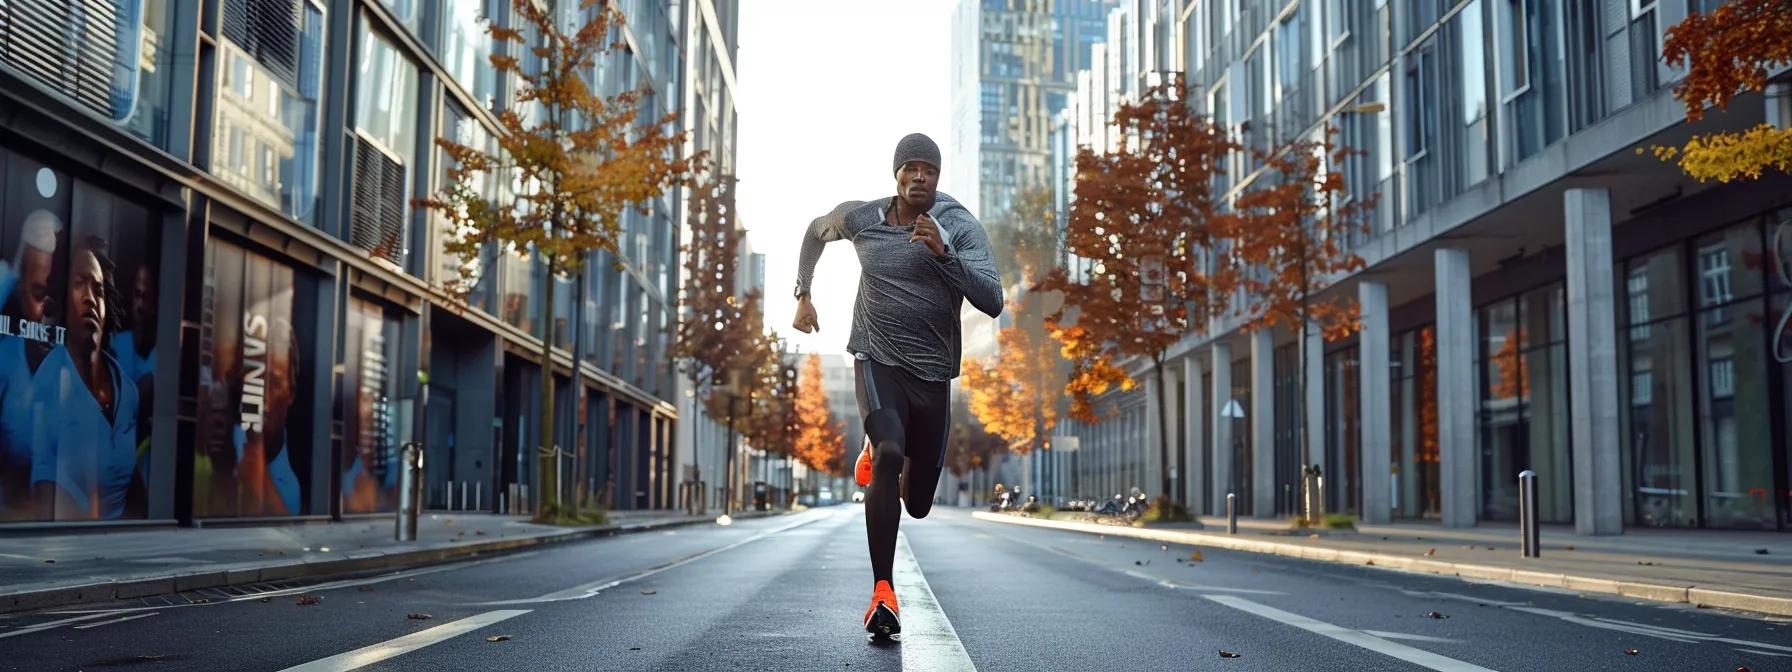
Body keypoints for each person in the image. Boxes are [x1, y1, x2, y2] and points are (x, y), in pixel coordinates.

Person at [793, 133, 1002, 639]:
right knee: (889, 452)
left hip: (933, 375)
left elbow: (993, 299)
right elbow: (815, 231)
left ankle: (886, 452)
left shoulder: (957, 226)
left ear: (937, 176)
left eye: (928, 168)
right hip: (876, 357)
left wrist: (945, 255)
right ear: (896, 175)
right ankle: (882, 591)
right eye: (909, 167)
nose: (919, 175)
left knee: (919, 503)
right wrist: (803, 294)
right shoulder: (864, 218)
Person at [32, 236, 138, 520]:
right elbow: (44, 501)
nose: (91, 298)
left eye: (99, 289)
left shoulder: (127, 390)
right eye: (80, 284)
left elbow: (134, 492)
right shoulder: (48, 384)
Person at [0, 210, 61, 518]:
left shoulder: (82, 376)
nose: (48, 310)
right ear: (22, 291)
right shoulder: (5, 364)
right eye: (39, 293)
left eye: (55, 295)